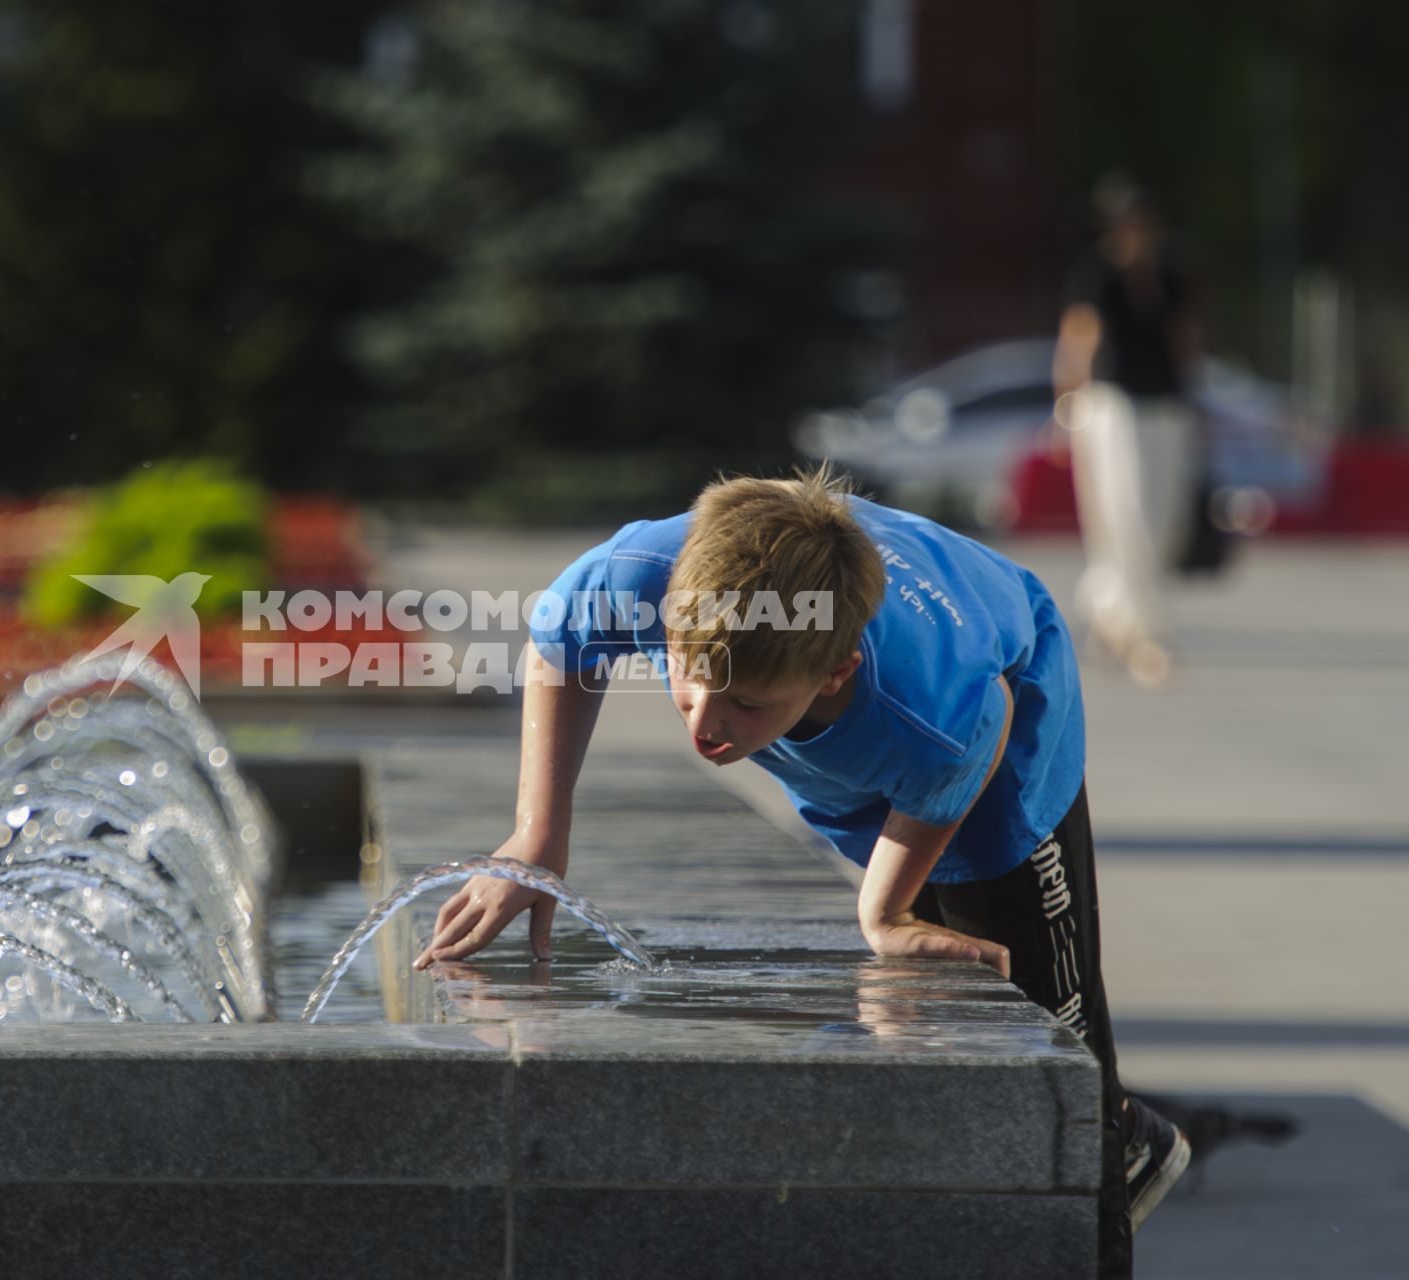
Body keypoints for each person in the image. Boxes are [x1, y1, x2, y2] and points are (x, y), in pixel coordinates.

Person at [412, 467, 1187, 1277]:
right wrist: (537, 834)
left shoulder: (929, 708)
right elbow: (557, 643)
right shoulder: (640, 577)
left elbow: (978, 736)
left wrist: (882, 911)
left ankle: (1114, 1158)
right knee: (936, 989)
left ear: (835, 672)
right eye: (689, 678)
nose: (706, 725)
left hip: (1009, 719)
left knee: (1048, 1044)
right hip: (862, 732)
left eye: (745, 703)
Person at [1053, 177, 1204, 687]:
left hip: (1166, 406)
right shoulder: (1097, 274)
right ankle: (1143, 632)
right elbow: (1078, 339)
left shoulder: (1170, 274)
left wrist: (1196, 403)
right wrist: (1065, 404)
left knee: (1162, 522)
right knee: (1124, 516)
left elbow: (1184, 340)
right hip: (1113, 408)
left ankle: (1109, 613)